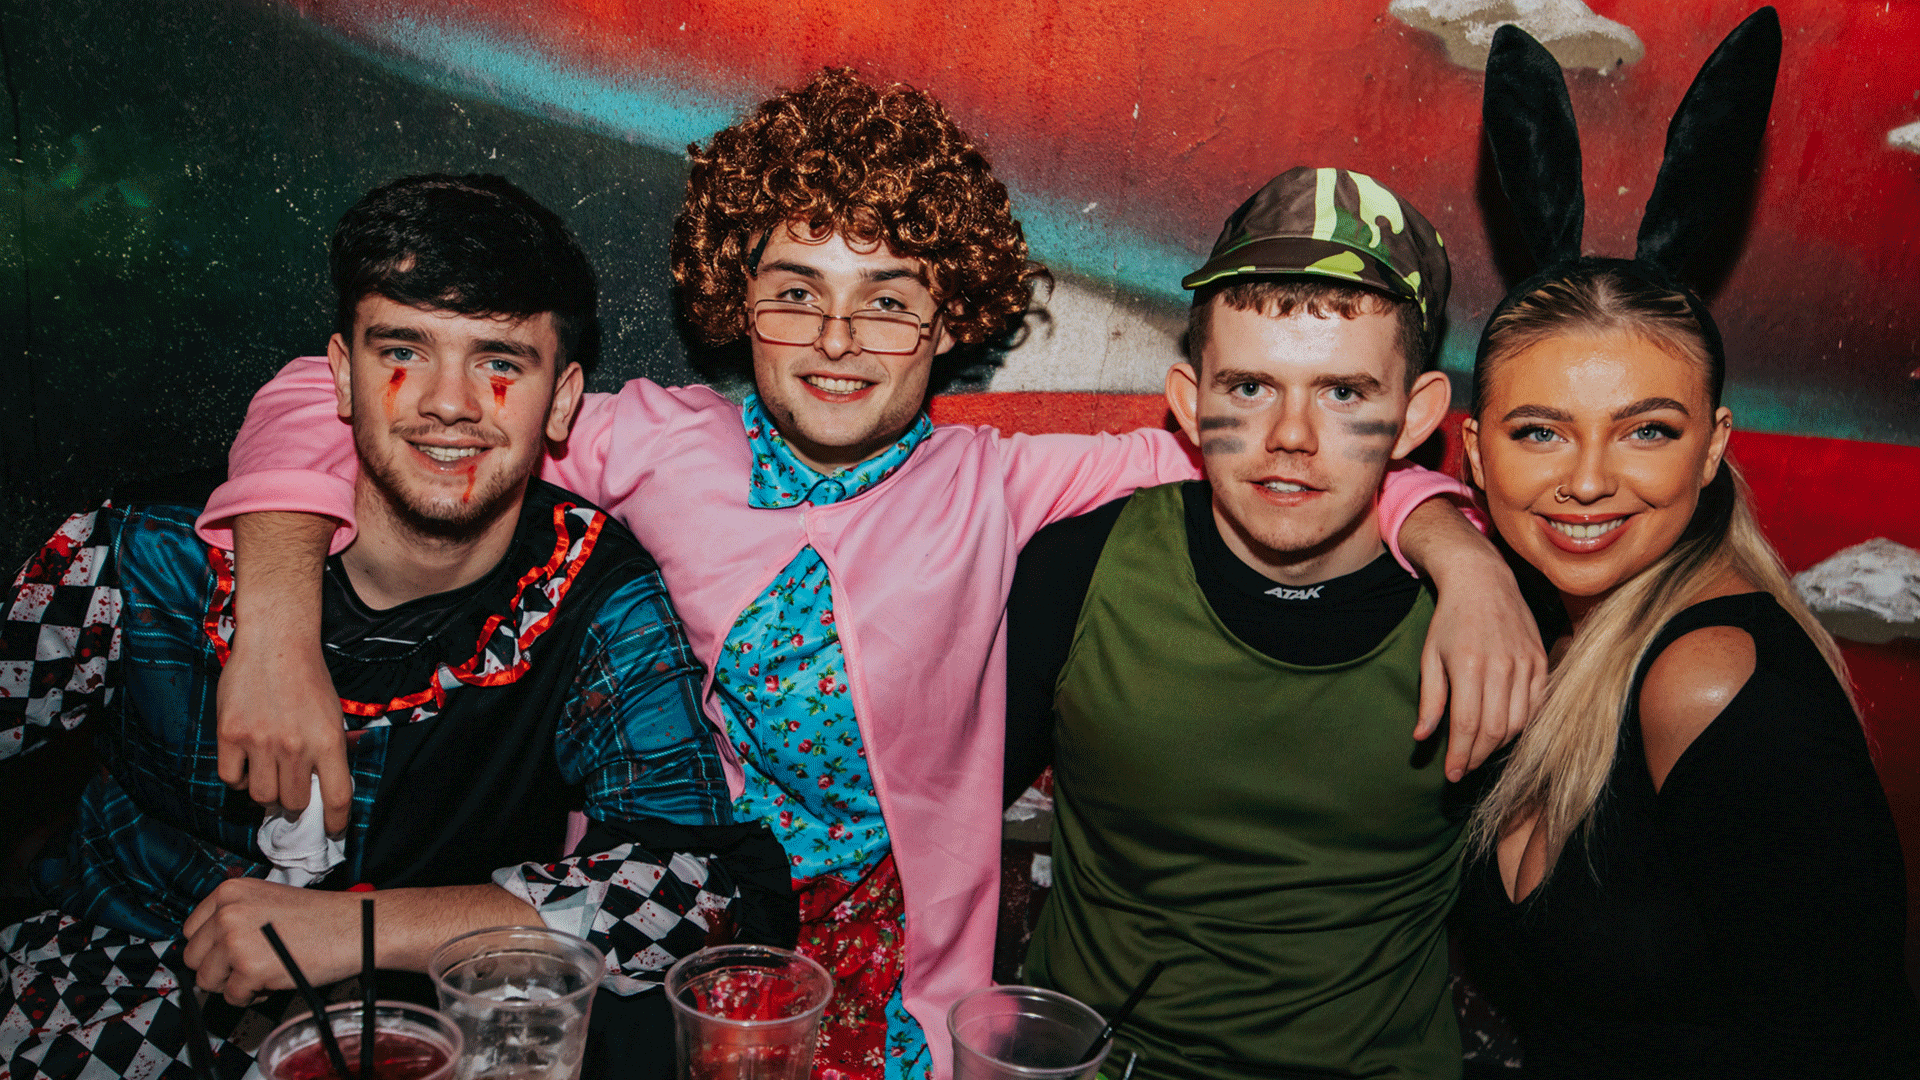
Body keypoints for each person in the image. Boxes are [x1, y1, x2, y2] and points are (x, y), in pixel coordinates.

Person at [192, 71, 1544, 1080]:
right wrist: (277, 627)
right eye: (796, 290)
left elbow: (1274, 452)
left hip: (902, 978)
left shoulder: (999, 482)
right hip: (656, 944)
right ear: (735, 299)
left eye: (889, 297)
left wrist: (1455, 545)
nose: (839, 338)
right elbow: (334, 392)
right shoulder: (655, 439)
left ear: (949, 319)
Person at [0, 175, 788, 1080]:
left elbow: (697, 892)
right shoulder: (149, 555)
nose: (449, 402)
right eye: (404, 349)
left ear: (564, 399)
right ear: (341, 373)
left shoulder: (590, 597)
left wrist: (362, 929)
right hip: (102, 988)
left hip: (411, 1033)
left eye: (499, 361)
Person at [1452, 13, 1918, 1076]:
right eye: (1540, 432)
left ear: (1712, 448)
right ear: (1475, 452)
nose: (1586, 480)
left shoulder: (1708, 682)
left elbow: (1842, 1047)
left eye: (1647, 431)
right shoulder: (1563, 628)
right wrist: (1455, 549)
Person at [1005, 166, 1480, 1080]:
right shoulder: (1082, 567)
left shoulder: (1486, 618)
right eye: (1251, 387)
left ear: (1416, 415)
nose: (1291, 436)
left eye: (1344, 393)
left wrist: (1470, 561)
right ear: (1190, 402)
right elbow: (930, 817)